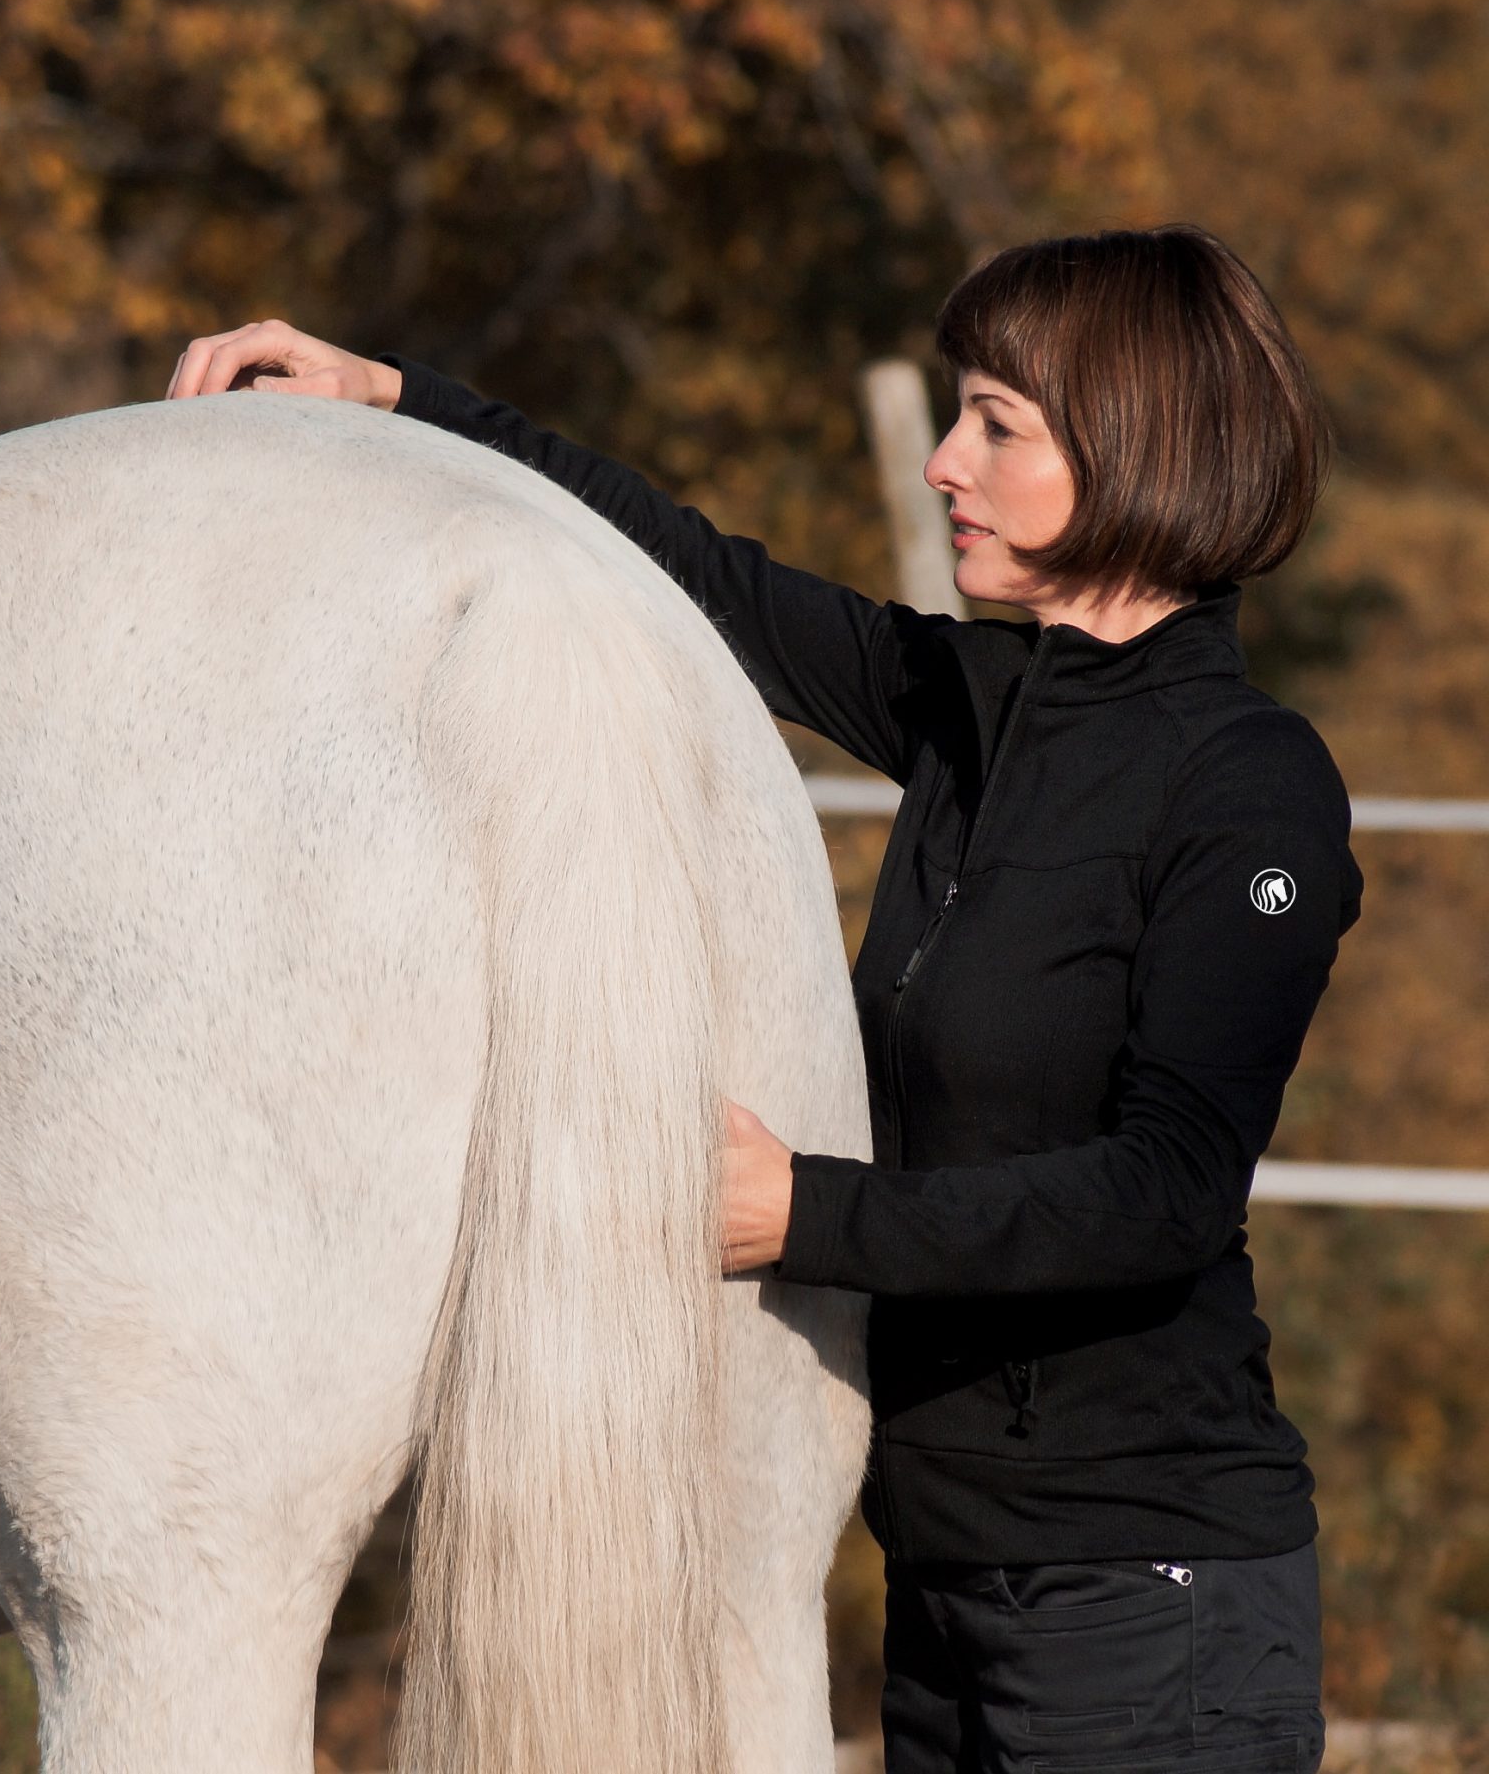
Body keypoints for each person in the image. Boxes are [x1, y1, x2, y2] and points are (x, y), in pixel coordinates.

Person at [166, 225, 1353, 1773]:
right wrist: (396, 403)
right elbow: (696, 571)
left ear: (1141, 451)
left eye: (999, 423)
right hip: (944, 1581)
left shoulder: (1250, 784)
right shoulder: (974, 711)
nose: (945, 463)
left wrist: (803, 1212)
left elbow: (1166, 1196)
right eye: (957, 413)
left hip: (1153, 1596)